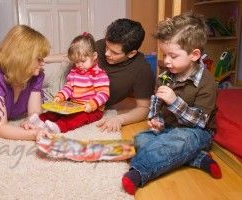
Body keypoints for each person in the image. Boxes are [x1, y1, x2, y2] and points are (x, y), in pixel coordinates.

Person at [121, 12, 222, 195]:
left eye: (173, 56)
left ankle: (138, 172)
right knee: (140, 139)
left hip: (197, 132)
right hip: (169, 129)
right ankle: (197, 158)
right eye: (164, 54)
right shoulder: (165, 75)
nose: (166, 61)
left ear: (194, 54)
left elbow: (199, 121)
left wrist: (175, 102)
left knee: (180, 140)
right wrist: (155, 119)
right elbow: (155, 103)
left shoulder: (207, 82)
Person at [45, 18, 155, 132]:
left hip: (82, 103)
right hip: (67, 82)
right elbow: (77, 56)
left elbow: (144, 108)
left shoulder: (142, 69)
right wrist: (45, 59)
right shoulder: (103, 44)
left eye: (114, 52)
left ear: (131, 53)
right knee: (35, 72)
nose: (107, 53)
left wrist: (120, 119)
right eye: (107, 46)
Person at [30, 32, 110, 133]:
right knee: (56, 112)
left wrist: (92, 104)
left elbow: (104, 94)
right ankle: (40, 119)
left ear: (94, 56)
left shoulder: (99, 74)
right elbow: (68, 87)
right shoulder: (74, 72)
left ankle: (59, 127)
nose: (79, 65)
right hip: (74, 105)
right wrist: (60, 96)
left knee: (77, 118)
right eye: (76, 62)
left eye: (83, 61)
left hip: (92, 109)